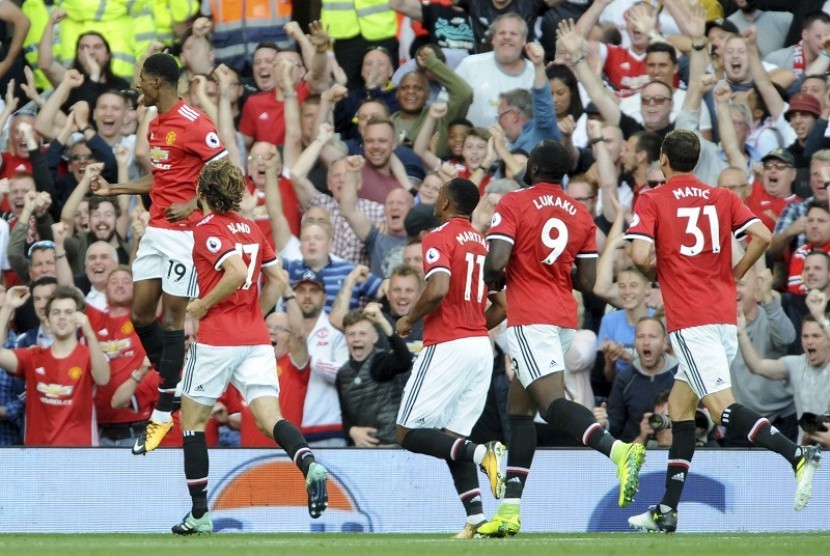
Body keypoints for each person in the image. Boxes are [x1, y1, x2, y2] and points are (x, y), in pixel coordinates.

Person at [625, 130, 821, 533]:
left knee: (720, 409)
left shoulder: (653, 198)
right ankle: (666, 510)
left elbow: (640, 253)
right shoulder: (723, 197)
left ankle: (796, 454)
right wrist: (736, 273)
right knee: (681, 409)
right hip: (721, 317)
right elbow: (763, 236)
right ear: (695, 160)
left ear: (663, 159)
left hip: (690, 320)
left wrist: (659, 273)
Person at [479, 140, 645, 538]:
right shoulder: (581, 214)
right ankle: (509, 511)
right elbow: (586, 282)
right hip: (562, 317)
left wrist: (496, 278)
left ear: (533, 167)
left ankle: (620, 451)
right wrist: (549, 269)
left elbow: (497, 261)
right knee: (519, 414)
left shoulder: (514, 203)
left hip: (530, 318)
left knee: (551, 405)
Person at [172, 158, 328, 534]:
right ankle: (308, 463)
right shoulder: (253, 229)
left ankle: (199, 514)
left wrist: (204, 305)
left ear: (202, 193)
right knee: (270, 419)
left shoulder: (206, 229)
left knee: (192, 423)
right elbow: (275, 280)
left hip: (216, 338)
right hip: (255, 339)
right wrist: (253, 316)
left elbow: (237, 273)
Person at [89, 53, 228, 455]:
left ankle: (164, 411)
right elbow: (162, 178)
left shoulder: (194, 123)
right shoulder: (155, 124)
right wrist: (114, 189)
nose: (137, 86)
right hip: (156, 230)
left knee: (171, 318)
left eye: (142, 80)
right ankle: (177, 381)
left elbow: (227, 171)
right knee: (140, 314)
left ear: (158, 83)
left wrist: (198, 205)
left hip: (186, 236)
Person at [395, 177, 506, 539]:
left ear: (444, 203)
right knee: (451, 437)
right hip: (479, 347)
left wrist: (409, 319)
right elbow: (502, 306)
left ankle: (480, 454)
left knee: (408, 432)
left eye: (439, 194)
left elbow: (439, 287)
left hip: (447, 345)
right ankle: (475, 519)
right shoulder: (481, 244)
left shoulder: (438, 237)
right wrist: (475, 324)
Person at [0, 285, 110, 446]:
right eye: (56, 312)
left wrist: (89, 332)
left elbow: (103, 379)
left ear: (79, 320)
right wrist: (7, 307)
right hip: (37, 456)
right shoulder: (32, 356)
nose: (62, 317)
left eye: (69, 312)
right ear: (47, 321)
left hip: (81, 455)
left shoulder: (90, 355)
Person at [336, 302, 412, 447]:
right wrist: (351, 430)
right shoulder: (342, 374)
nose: (356, 339)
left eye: (362, 333)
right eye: (351, 334)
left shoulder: (382, 362)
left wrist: (382, 321)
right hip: (360, 449)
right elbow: (345, 414)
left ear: (375, 338)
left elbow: (405, 360)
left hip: (391, 446)